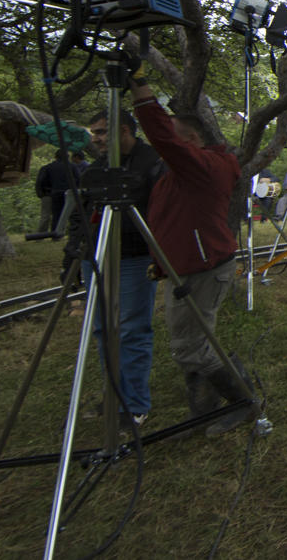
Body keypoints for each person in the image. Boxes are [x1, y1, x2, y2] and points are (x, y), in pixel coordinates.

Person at [131, 78, 254, 435]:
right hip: (186, 266)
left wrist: (142, 92)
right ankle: (203, 412)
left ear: (192, 141)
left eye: (173, 140)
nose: (164, 149)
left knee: (192, 346)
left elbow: (162, 138)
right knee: (194, 342)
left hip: (203, 267)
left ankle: (243, 401)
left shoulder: (203, 167)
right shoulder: (185, 172)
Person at [82, 109, 164, 424]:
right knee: (103, 329)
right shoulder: (100, 165)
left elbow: (160, 211)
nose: (98, 139)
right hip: (98, 254)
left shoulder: (151, 162)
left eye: (103, 132)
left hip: (134, 256)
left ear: (126, 131)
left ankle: (135, 405)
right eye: (95, 133)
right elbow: (86, 208)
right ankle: (115, 397)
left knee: (131, 329)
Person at [34, 149, 76, 233]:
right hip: (67, 193)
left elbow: (40, 181)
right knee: (65, 214)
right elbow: (78, 179)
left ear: (55, 157)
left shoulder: (47, 167)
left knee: (47, 215)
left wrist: (41, 193)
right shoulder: (72, 167)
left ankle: (41, 234)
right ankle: (61, 232)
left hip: (49, 193)